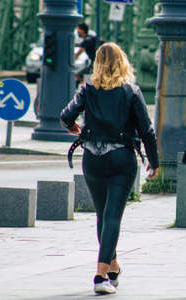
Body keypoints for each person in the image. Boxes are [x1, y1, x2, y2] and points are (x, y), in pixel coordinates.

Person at [60, 42, 160, 294]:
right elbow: (147, 131)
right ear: (122, 63)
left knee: (103, 217)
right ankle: (100, 276)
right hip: (121, 158)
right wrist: (154, 162)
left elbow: (66, 116)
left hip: (92, 158)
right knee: (113, 217)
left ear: (98, 64)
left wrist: (73, 128)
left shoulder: (88, 89)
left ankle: (112, 267)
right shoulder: (132, 91)